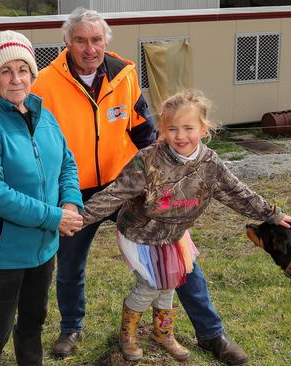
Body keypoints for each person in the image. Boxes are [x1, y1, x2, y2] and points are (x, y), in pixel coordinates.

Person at [31, 8, 262, 365]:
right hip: (74, 190)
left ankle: (211, 334)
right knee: (71, 261)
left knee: (183, 259)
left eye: (96, 39)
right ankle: (71, 327)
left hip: (130, 184)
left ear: (105, 41)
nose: (89, 48)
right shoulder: (44, 83)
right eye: (80, 40)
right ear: (67, 42)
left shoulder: (123, 74)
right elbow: (35, 142)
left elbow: (142, 130)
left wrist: (168, 170)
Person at [79, 89, 291, 362]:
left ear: (204, 129)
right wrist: (82, 217)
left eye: (188, 128)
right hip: (140, 234)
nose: (181, 136)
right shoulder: (148, 160)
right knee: (150, 284)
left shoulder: (209, 163)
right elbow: (116, 193)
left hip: (174, 235)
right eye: (173, 129)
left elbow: (237, 192)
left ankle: (163, 333)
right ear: (162, 130)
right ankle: (128, 334)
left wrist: (272, 215)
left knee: (171, 283)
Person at [0, 30, 84, 366]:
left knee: (32, 323)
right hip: (0, 253)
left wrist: (70, 203)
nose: (16, 79)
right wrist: (54, 217)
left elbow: (67, 164)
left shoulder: (46, 117)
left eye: (23, 69)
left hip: (42, 249)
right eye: (6, 71)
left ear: (32, 74)